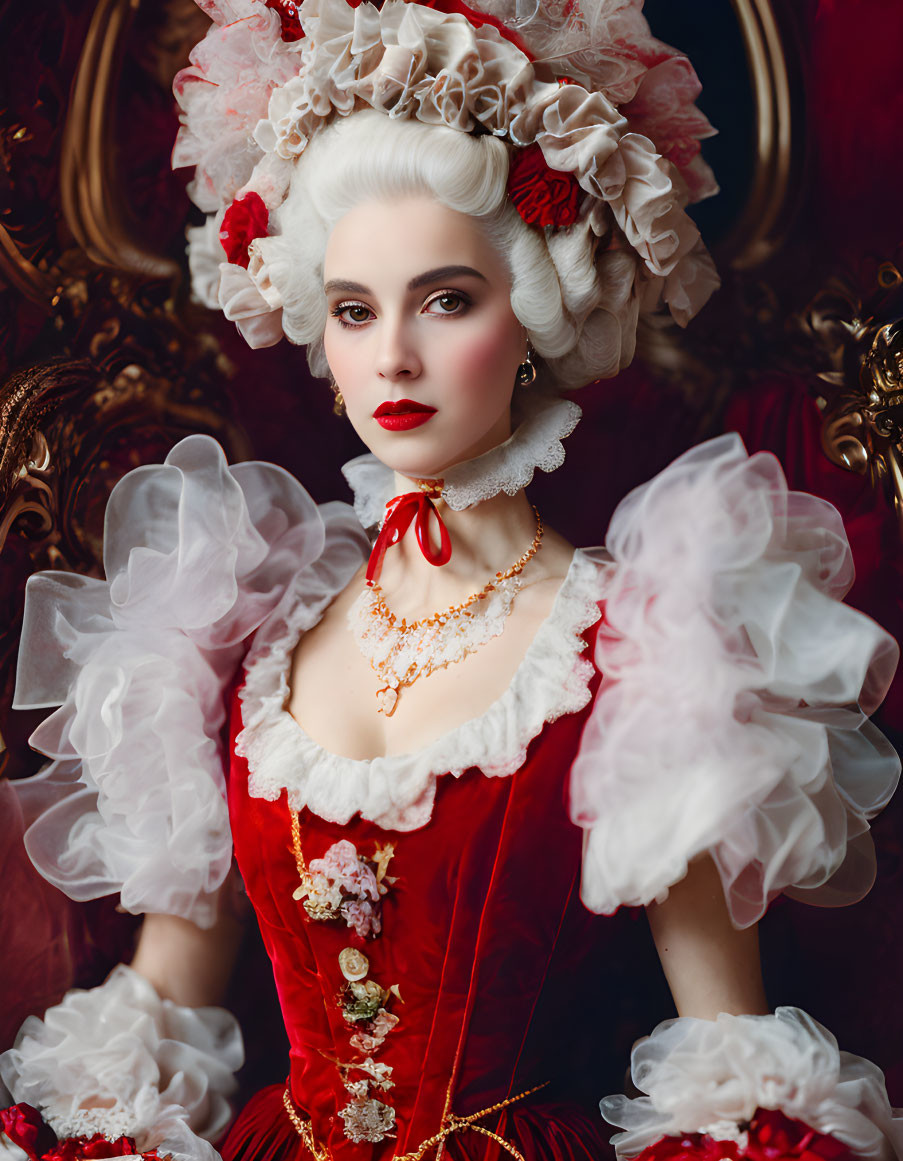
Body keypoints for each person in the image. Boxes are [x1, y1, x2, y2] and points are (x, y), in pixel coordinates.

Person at [1, 2, 901, 1161]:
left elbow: (723, 1049)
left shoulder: (645, 638)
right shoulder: (236, 622)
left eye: (446, 300)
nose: (392, 359)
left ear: (528, 316)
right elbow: (162, 1001)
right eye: (353, 311)